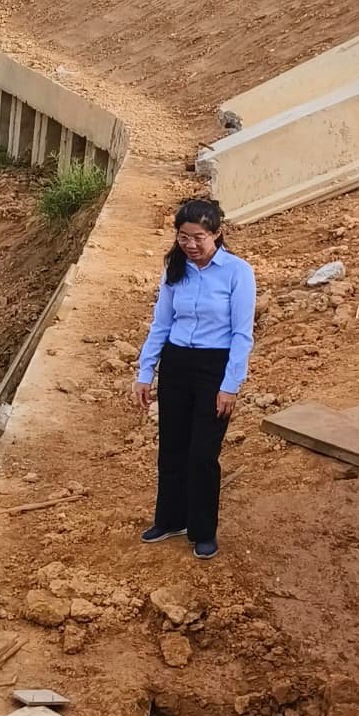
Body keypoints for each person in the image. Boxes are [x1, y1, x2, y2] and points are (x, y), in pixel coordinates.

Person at [134, 195, 255, 560]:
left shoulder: (237, 272)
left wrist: (229, 385)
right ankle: (170, 519)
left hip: (213, 368)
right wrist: (145, 371)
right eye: (183, 237)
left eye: (198, 237)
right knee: (172, 446)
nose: (190, 245)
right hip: (176, 365)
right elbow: (161, 324)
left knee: (203, 453)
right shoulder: (175, 270)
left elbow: (241, 334)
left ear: (217, 234)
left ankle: (202, 530)